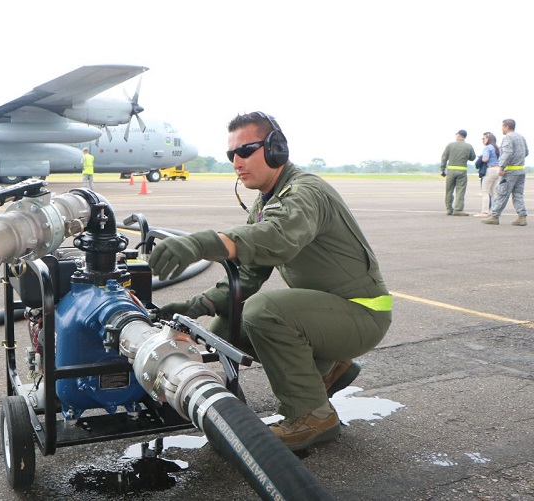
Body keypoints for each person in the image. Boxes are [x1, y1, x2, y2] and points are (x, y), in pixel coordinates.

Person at [149, 111, 392, 451]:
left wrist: (199, 243)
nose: (237, 161)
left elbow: (277, 237)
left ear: (276, 149)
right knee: (225, 326)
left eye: (245, 150)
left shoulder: (305, 191)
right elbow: (249, 274)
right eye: (231, 154)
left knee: (263, 311)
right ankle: (328, 368)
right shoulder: (267, 201)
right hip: (331, 313)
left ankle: (312, 416)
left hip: (363, 312)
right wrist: (196, 307)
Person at [482, 119, 529, 226]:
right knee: (518, 195)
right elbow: (526, 152)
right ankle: (522, 217)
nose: (502, 129)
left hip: (510, 171)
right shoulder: (521, 137)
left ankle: (494, 216)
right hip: (521, 170)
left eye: (502, 126)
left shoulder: (508, 137)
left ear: (507, 127)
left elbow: (507, 153)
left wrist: (502, 167)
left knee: (501, 193)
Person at [440, 130, 476, 216]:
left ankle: (449, 209)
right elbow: (472, 158)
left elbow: (444, 157)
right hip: (462, 171)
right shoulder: (468, 146)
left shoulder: (450, 145)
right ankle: (458, 209)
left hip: (451, 171)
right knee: (460, 190)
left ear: (459, 135)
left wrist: (442, 169)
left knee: (449, 190)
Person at [474, 132, 500, 217]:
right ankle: (494, 211)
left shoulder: (488, 147)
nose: (482, 140)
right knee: (494, 192)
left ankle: (485, 212)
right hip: (497, 169)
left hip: (490, 169)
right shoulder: (497, 148)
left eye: (483, 138)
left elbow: (485, 159)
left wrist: (480, 158)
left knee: (485, 191)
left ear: (488, 139)